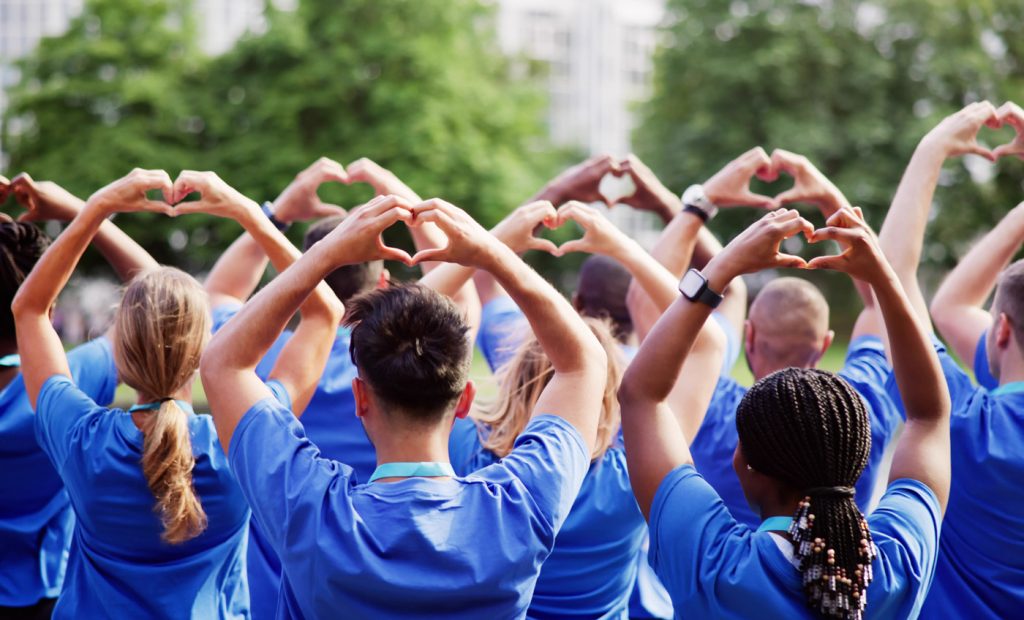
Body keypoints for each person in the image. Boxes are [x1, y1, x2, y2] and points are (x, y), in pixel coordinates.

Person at [200, 195, 607, 618]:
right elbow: (584, 363)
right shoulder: (517, 510)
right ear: (464, 399)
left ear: (362, 399)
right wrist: (492, 253)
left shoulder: (310, 511)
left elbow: (222, 364)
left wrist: (326, 254)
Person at [12, 168, 342, 618]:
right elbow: (325, 313)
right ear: (205, 350)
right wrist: (250, 212)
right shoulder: (241, 443)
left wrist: (100, 204)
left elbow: (29, 308)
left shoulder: (80, 438)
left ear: (119, 360)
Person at [619, 206, 950, 619]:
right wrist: (883, 277)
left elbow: (640, 396)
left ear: (744, 465)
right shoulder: (897, 563)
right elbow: (929, 415)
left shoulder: (711, 563)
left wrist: (721, 270)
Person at [420, 197, 723, 619]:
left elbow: (395, 325)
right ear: (608, 389)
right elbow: (709, 344)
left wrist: (494, 244)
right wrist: (621, 247)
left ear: (517, 373)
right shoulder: (633, 474)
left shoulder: (469, 451)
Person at [204, 157, 480, 618]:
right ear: (385, 281)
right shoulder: (415, 360)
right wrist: (402, 200)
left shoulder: (268, 364)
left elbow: (220, 294)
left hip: (279, 590)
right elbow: (461, 295)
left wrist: (277, 213)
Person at [626, 148, 902, 530]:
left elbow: (644, 298)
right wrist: (829, 200)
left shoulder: (705, 403)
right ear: (825, 344)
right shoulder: (861, 410)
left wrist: (700, 204)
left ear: (749, 335)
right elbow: (885, 304)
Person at [886, 100, 1024, 618]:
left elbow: (897, 282)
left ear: (1003, 330)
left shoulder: (963, 423)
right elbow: (952, 307)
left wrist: (933, 149)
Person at [0, 173, 157, 619]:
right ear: (49, 308)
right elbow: (157, 293)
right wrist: (83, 209)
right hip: (48, 590)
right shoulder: (72, 378)